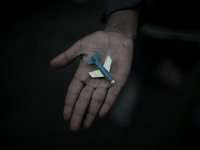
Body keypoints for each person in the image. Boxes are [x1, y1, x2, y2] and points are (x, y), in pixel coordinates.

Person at [50, 0, 200, 131]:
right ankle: (136, 78)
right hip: (149, 24)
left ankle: (163, 67)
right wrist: (121, 21)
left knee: (183, 57)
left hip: (192, 40)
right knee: (136, 53)